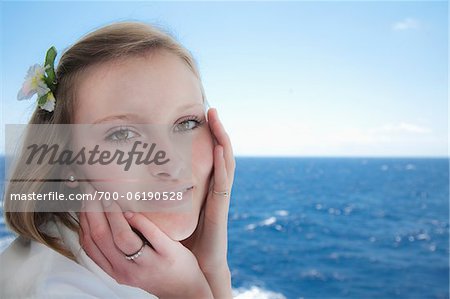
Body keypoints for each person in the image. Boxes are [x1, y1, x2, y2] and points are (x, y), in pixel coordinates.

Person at [0, 21, 235, 298]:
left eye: (186, 123)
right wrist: (190, 293)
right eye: (122, 134)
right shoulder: (56, 291)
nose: (172, 163)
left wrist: (212, 269)